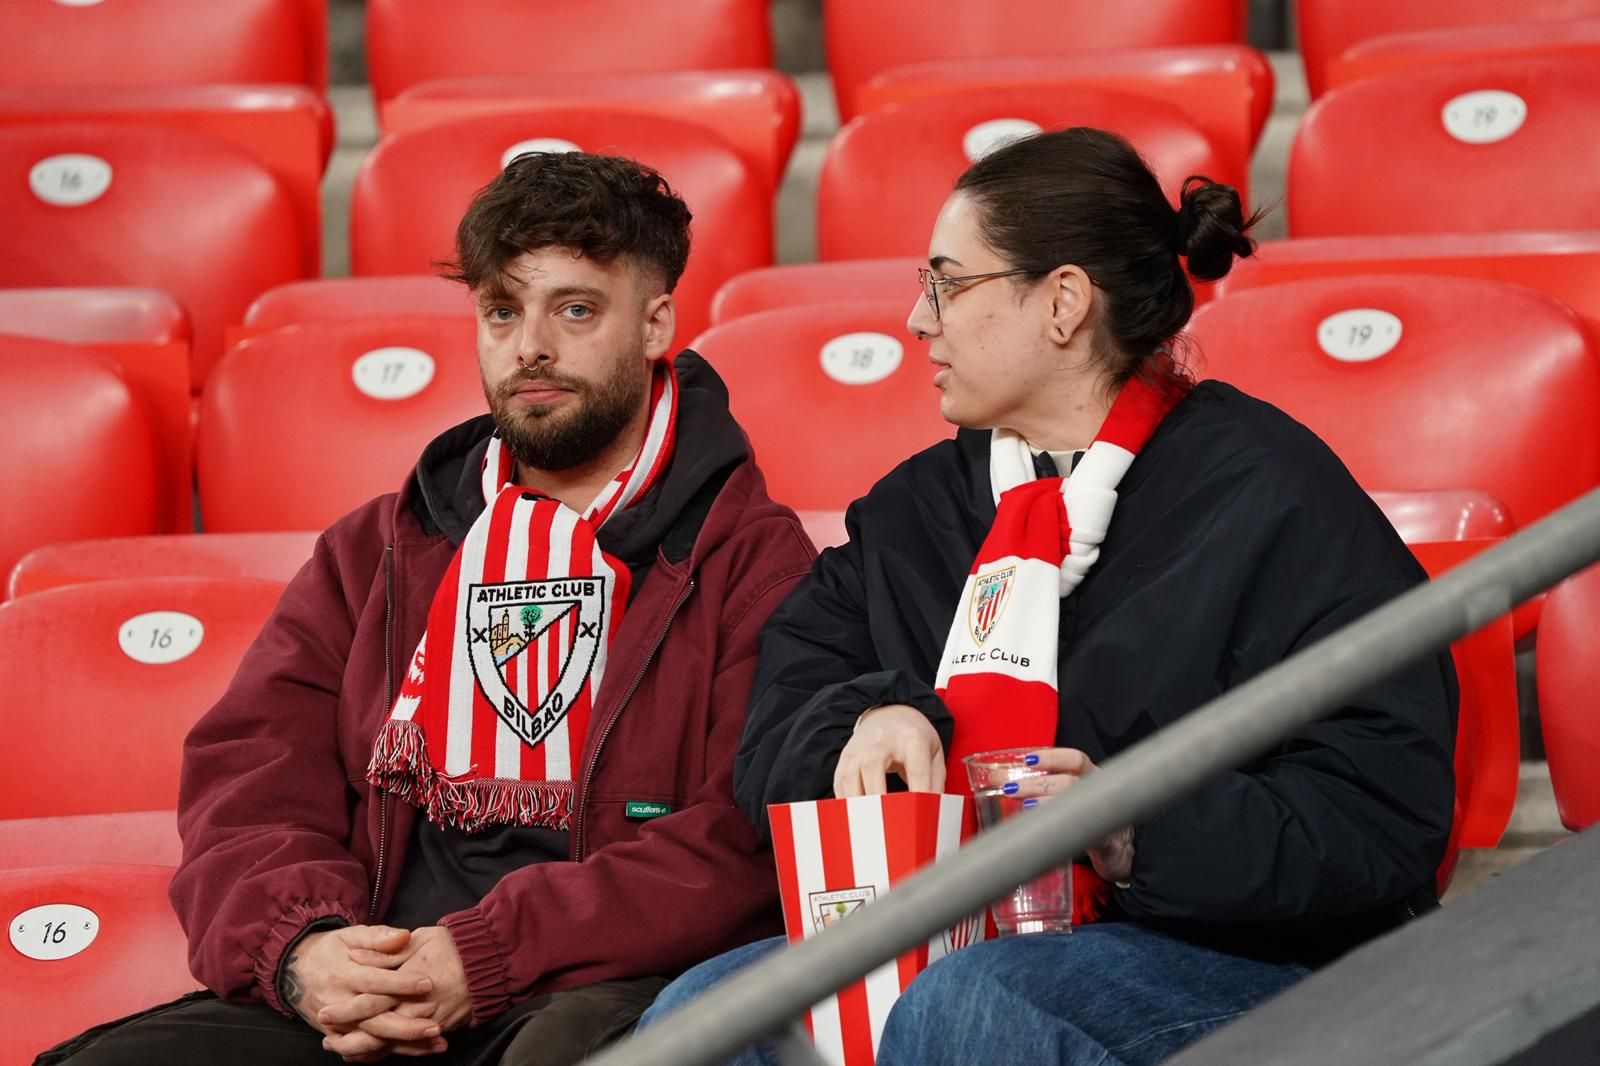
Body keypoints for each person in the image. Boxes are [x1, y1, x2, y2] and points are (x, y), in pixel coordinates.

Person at [639, 128, 1458, 1065]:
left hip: (1247, 956)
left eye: (948, 283)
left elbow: (1380, 815)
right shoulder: (917, 509)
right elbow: (777, 714)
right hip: (950, 935)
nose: (916, 318)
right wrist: (861, 721)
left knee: (971, 1007)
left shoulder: (1273, 493)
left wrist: (1131, 824)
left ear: (1064, 301)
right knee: (698, 1020)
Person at [38, 151, 816, 1066]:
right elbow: (248, 782)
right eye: (501, 311)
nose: (530, 345)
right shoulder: (375, 551)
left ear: (654, 324)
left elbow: (739, 842)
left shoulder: (752, 560)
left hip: (596, 987)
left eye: (574, 309)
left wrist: (486, 954)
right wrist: (304, 952)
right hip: (373, 981)